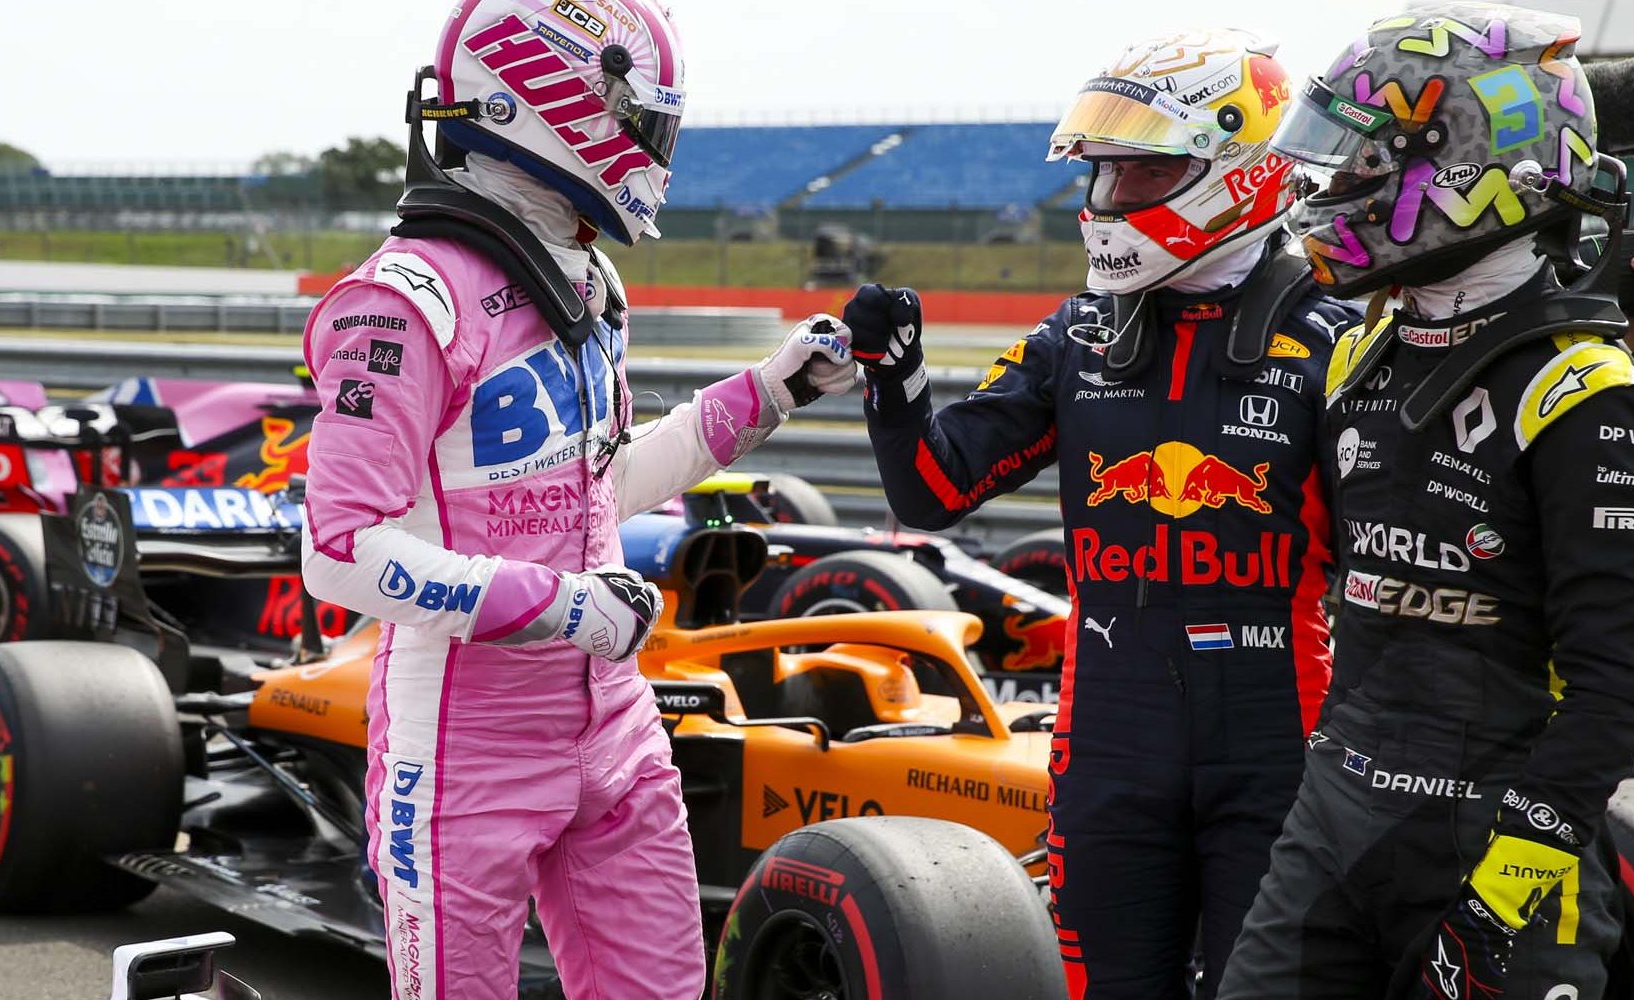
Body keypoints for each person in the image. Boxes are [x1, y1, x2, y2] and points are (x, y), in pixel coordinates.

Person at [295, 3, 856, 998]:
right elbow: (338, 552)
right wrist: (557, 607)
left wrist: (771, 392)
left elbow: (599, 494)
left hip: (613, 724)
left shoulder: (586, 280)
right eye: (645, 119)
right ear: (555, 95)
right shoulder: (404, 299)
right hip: (461, 745)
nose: (654, 148)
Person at [846, 29, 1355, 999]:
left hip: (1283, 746)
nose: (1109, 202)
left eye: (1140, 173)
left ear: (1236, 171)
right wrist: (897, 384)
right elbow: (932, 493)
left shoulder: (1337, 336)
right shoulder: (1073, 336)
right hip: (1110, 742)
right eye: (1104, 174)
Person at [1216, 5, 1634, 998]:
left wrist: (1499, 895)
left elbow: (1615, 693)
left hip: (1506, 855)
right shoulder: (1355, 355)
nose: (1332, 191)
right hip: (1333, 821)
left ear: (1468, 168)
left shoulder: (1583, 393)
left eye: (1363, 166)